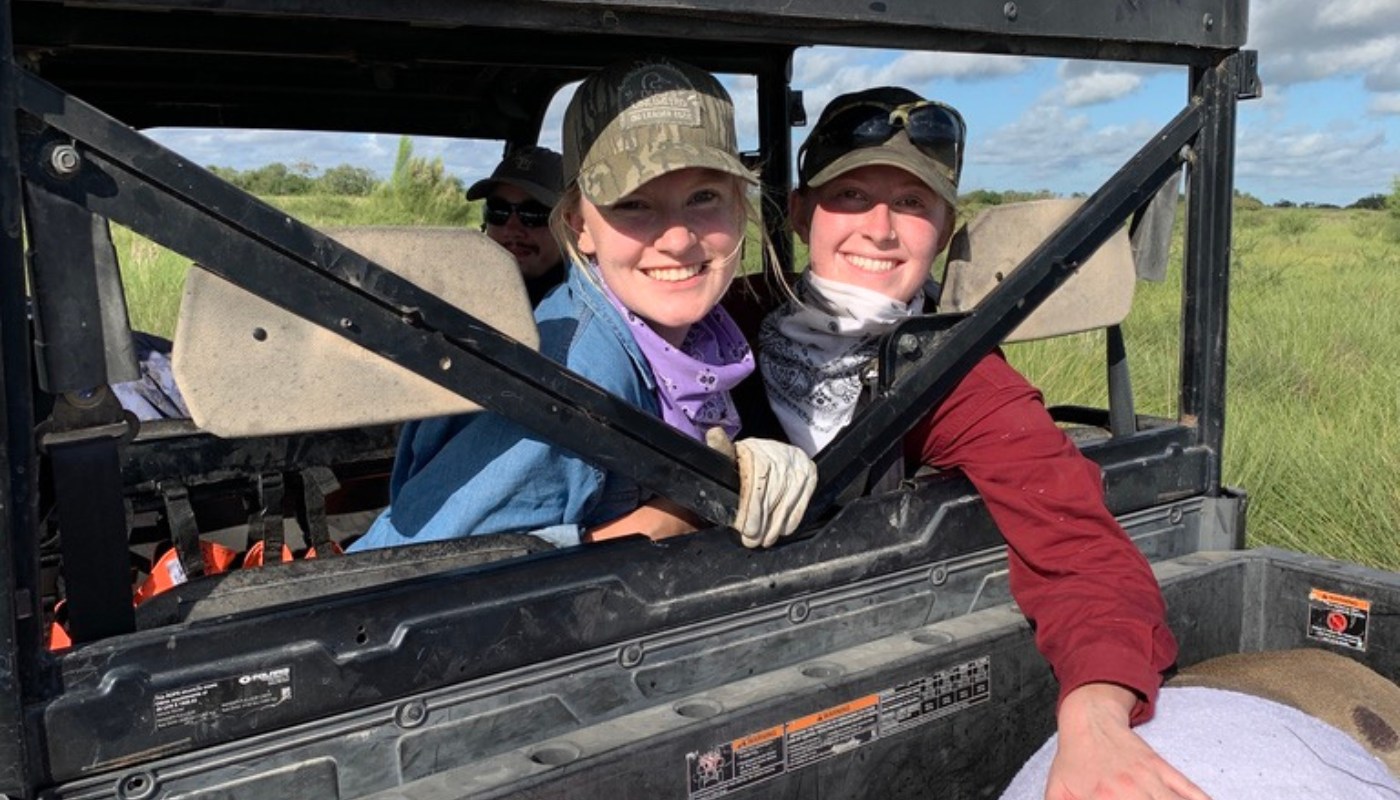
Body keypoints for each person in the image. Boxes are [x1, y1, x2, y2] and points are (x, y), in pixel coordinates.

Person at [756, 87, 1201, 800]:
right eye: (852, 194)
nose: (880, 228)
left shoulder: (956, 379)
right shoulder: (720, 323)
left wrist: (1095, 717)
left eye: (912, 204)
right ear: (802, 211)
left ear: (943, 226)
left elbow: (1084, 552)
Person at [349, 57, 816, 553]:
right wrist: (686, 512)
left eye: (703, 196)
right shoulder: (576, 376)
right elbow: (405, 570)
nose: (678, 240)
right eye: (633, 204)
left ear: (740, 206)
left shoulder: (696, 339)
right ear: (579, 226)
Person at [466, 145, 567, 306]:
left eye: (533, 213)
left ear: (571, 225)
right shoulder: (462, 288)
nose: (512, 230)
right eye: (498, 211)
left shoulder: (580, 315)